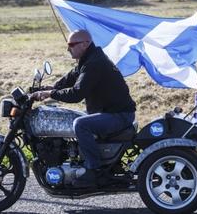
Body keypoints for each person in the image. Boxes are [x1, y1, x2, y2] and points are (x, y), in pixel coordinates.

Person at [32, 29, 136, 188]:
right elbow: (69, 79)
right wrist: (45, 90)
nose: (68, 49)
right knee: (75, 120)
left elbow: (76, 94)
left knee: (80, 124)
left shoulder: (94, 63)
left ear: (85, 43)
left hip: (119, 116)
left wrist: (51, 93)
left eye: (72, 44)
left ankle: (94, 170)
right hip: (111, 112)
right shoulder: (88, 60)